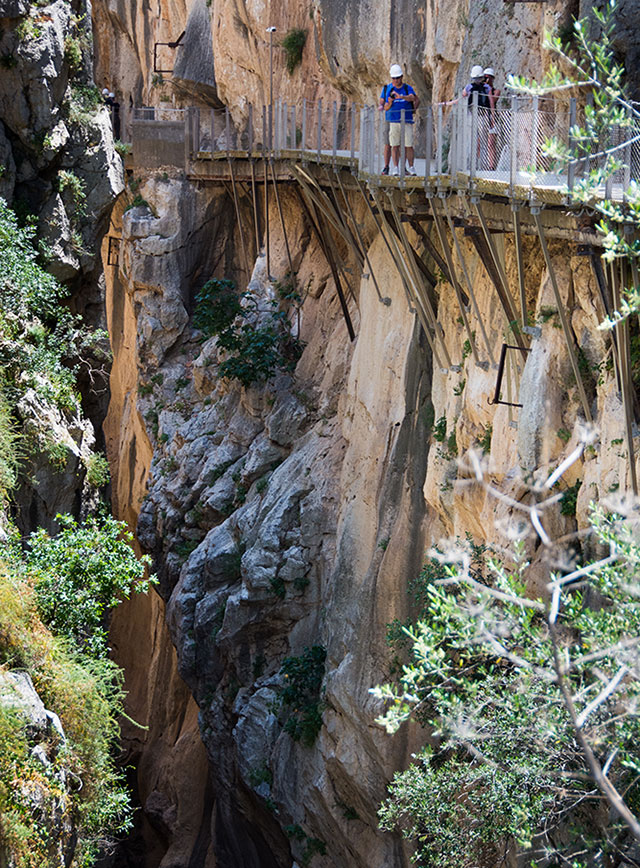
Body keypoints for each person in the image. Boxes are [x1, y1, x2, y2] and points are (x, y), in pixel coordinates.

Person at [378, 64, 420, 176]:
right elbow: (385, 106)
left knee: (408, 145)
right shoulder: (387, 89)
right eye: (394, 78)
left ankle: (410, 167)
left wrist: (401, 97)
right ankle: (394, 167)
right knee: (393, 145)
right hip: (392, 121)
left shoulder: (407, 88)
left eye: (398, 78)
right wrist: (390, 102)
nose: (396, 80)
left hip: (406, 120)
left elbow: (413, 97)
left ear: (401, 77)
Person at [484, 67, 501, 169]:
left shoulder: (496, 91)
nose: (487, 80)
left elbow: (493, 101)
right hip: (482, 116)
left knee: (491, 143)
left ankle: (491, 166)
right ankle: (479, 163)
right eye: (485, 78)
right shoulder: (480, 90)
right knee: (479, 143)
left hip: (491, 117)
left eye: (489, 78)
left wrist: (488, 90)